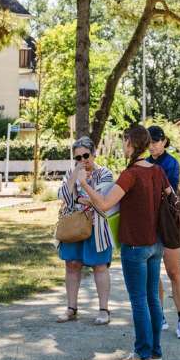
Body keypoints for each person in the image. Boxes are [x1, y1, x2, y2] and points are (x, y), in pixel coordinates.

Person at [77, 124, 167, 360]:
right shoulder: (157, 171)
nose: (123, 146)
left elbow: (106, 204)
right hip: (155, 243)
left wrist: (84, 184)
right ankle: (155, 352)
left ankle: (141, 356)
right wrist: (92, 199)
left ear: (131, 144)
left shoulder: (131, 174)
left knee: (139, 300)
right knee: (152, 299)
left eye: (124, 141)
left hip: (135, 245)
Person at [55, 136, 115, 325]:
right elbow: (62, 195)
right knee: (72, 264)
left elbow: (101, 200)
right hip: (73, 226)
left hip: (97, 228)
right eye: (78, 158)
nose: (82, 161)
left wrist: (82, 191)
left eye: (86, 155)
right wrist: (75, 178)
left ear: (94, 153)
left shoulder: (105, 173)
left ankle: (104, 310)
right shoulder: (72, 173)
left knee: (100, 266)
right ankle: (71, 308)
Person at [147, 124, 180, 339]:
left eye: (155, 141)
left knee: (174, 272)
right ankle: (160, 314)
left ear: (164, 141)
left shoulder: (171, 163)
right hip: (149, 224)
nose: (152, 146)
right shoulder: (144, 162)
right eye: (149, 142)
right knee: (153, 273)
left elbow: (167, 192)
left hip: (168, 222)